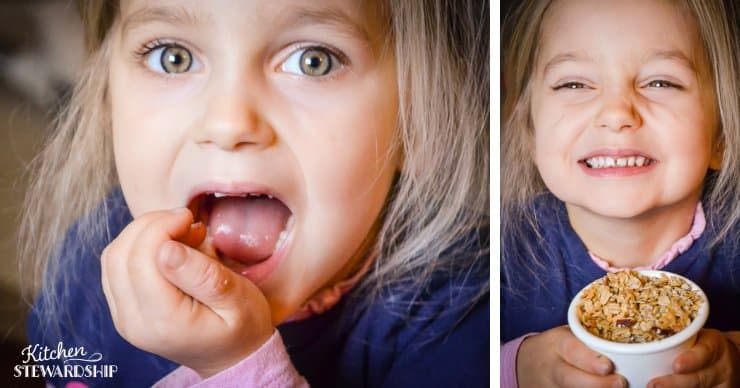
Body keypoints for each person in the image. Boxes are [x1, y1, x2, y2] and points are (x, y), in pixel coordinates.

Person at [19, 0, 489, 387]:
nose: (229, 123)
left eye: (313, 60)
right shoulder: (83, 269)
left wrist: (236, 368)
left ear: (419, 119)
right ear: (106, 101)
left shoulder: (462, 326)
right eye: (173, 56)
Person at [500, 0, 740, 387]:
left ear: (722, 135)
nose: (616, 113)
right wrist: (516, 368)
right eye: (573, 83)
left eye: (661, 82)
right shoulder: (491, 259)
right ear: (529, 132)